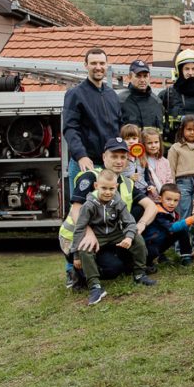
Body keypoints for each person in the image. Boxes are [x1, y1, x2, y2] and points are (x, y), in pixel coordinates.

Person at [58, 138, 159, 289]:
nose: (119, 161)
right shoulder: (91, 177)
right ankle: (77, 272)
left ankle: (133, 270)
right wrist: (88, 232)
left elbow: (151, 206)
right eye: (114, 156)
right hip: (75, 236)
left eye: (123, 157)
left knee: (127, 261)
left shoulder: (126, 182)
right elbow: (76, 209)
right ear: (104, 157)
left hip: (105, 234)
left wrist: (141, 224)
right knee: (111, 269)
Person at [72, 169, 156, 306]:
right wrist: (75, 254)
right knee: (85, 247)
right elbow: (80, 228)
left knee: (137, 238)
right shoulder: (88, 205)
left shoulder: (118, 202)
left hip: (116, 232)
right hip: (98, 235)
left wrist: (129, 237)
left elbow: (130, 222)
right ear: (96, 186)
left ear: (116, 187)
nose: (107, 192)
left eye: (111, 189)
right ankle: (95, 286)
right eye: (104, 188)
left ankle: (140, 274)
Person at [63, 47, 121, 188]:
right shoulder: (75, 94)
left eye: (102, 63)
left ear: (107, 65)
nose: (98, 67)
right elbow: (70, 128)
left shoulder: (112, 95)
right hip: (85, 163)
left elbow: (119, 127)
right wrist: (81, 156)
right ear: (86, 65)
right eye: (94, 63)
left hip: (109, 165)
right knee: (81, 208)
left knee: (110, 209)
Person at [141, 183, 191, 271]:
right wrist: (189, 220)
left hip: (160, 240)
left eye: (176, 200)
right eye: (168, 199)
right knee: (153, 250)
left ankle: (186, 256)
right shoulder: (158, 211)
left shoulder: (172, 211)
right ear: (160, 198)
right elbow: (171, 228)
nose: (172, 203)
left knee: (182, 229)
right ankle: (146, 263)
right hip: (149, 244)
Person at [168, 115, 194, 220]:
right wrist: (172, 187)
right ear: (182, 130)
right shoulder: (175, 148)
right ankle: (183, 235)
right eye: (189, 129)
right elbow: (171, 169)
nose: (192, 132)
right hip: (182, 182)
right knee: (184, 210)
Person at [120, 59, 164, 131]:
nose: (142, 80)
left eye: (145, 76)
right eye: (138, 76)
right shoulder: (120, 101)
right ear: (129, 77)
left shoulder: (157, 102)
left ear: (149, 77)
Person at [140, 126, 173, 204]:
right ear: (143, 144)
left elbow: (169, 180)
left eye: (156, 142)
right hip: (148, 199)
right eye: (149, 143)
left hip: (164, 200)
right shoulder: (140, 161)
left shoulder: (165, 161)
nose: (153, 145)